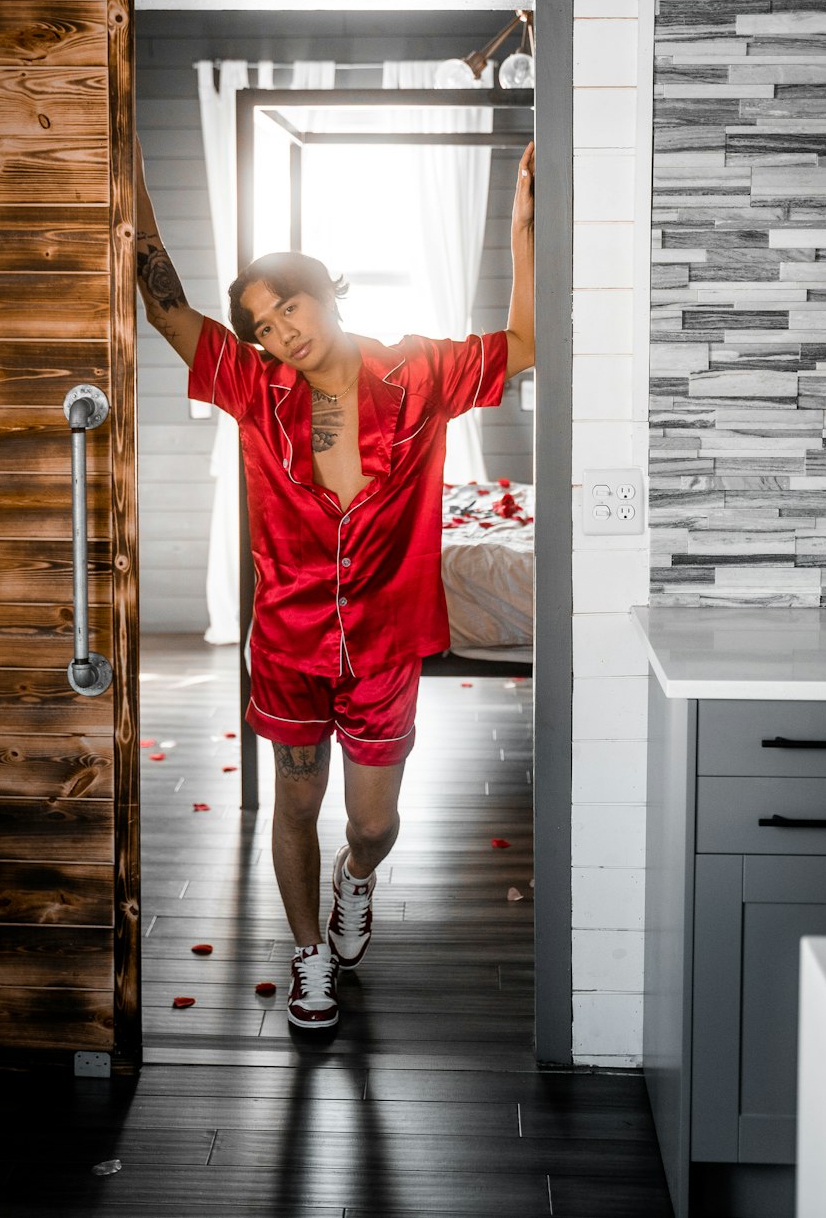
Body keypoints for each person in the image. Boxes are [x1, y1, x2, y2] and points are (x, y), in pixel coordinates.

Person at [135, 136, 535, 1030]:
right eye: (264, 327)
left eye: (288, 308)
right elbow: (163, 303)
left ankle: (358, 881)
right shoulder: (254, 387)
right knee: (295, 800)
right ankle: (308, 949)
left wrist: (519, 227)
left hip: (386, 642)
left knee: (370, 824)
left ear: (324, 288)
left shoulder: (421, 373)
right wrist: (130, 153)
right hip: (287, 640)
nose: (281, 333)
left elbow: (525, 341)